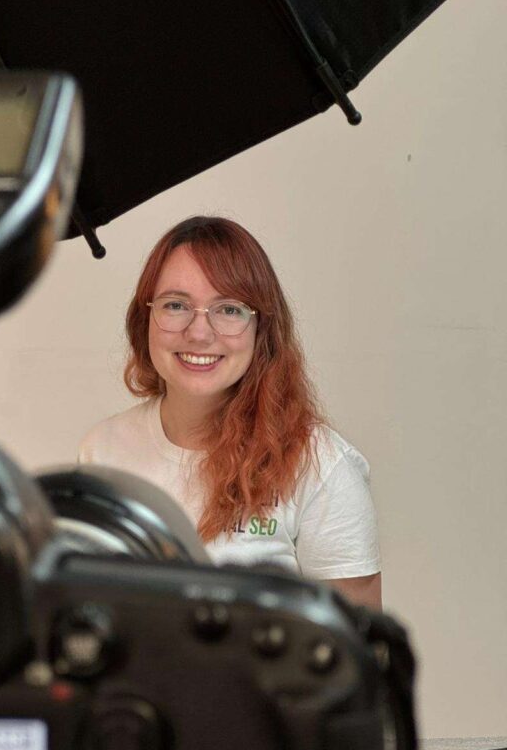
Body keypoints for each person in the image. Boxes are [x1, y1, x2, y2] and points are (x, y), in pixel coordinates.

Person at [79, 216, 381, 608]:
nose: (200, 333)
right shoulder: (102, 452)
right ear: (144, 320)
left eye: (229, 309)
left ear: (262, 330)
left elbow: (359, 658)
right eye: (175, 305)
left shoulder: (321, 469)